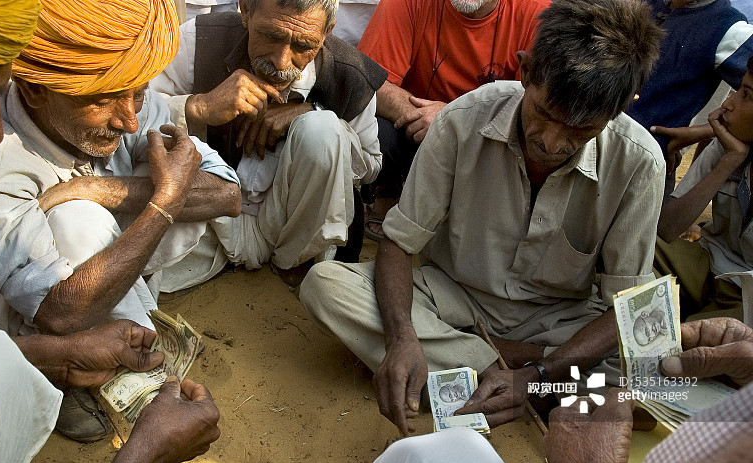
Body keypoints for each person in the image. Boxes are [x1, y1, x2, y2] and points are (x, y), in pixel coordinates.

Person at [301, 0, 665, 435]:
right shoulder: (461, 120)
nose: (551, 142)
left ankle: (492, 370)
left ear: (623, 106)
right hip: (455, 298)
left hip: (559, 320)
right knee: (326, 285)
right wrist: (401, 336)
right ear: (526, 71)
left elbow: (627, 306)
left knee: (652, 375)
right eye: (545, 114)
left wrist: (540, 371)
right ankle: (517, 378)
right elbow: (399, 241)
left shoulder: (640, 162)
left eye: (581, 130)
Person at [0, 4, 220, 463]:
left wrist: (104, 189)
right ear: (34, 91)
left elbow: (229, 195)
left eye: (136, 95)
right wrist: (162, 201)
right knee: (79, 221)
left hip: (52, 317)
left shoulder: (131, 97)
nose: (130, 119)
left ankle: (79, 370)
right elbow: (61, 311)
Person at [344, 317, 753, 463]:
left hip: (566, 325)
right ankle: (500, 354)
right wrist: (403, 334)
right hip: (464, 300)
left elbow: (620, 307)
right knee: (439, 455)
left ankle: (502, 355)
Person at [151, 0, 387, 276]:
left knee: (323, 129)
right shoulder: (199, 40)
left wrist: (314, 114)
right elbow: (135, 114)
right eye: (271, 36)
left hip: (293, 233)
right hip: (209, 221)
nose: (281, 61)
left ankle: (292, 268)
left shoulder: (352, 75)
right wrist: (198, 107)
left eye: (303, 45)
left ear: (327, 31)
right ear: (245, 10)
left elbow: (371, 166)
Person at [356, 0, 548, 240]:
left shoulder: (537, 13)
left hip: (487, 142)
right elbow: (368, 80)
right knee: (376, 129)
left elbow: (531, 109)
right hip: (417, 129)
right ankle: (388, 193)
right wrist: (431, 120)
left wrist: (450, 119)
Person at [655, 56, 753, 322]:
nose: (728, 104)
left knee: (697, 339)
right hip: (706, 261)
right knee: (630, 253)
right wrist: (729, 160)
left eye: (747, 96)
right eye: (738, 90)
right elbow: (668, 228)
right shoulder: (730, 142)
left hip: (747, 294)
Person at [626, 0, 753, 200]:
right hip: (592, 147)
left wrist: (706, 130)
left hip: (642, 169)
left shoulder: (727, 28)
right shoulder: (649, 4)